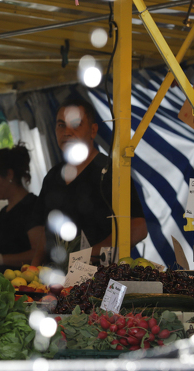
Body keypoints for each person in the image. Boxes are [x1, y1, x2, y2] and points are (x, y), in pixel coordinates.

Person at [30, 95, 148, 267]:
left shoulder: (112, 173)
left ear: (93, 130)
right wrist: (34, 267)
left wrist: (88, 255)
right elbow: (46, 232)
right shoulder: (52, 177)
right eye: (61, 125)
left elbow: (138, 227)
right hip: (55, 281)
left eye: (76, 124)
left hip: (99, 282)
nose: (67, 132)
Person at [0, 145, 45, 275]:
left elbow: (39, 252)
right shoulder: (2, 215)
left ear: (9, 174)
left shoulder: (34, 206)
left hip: (27, 286)